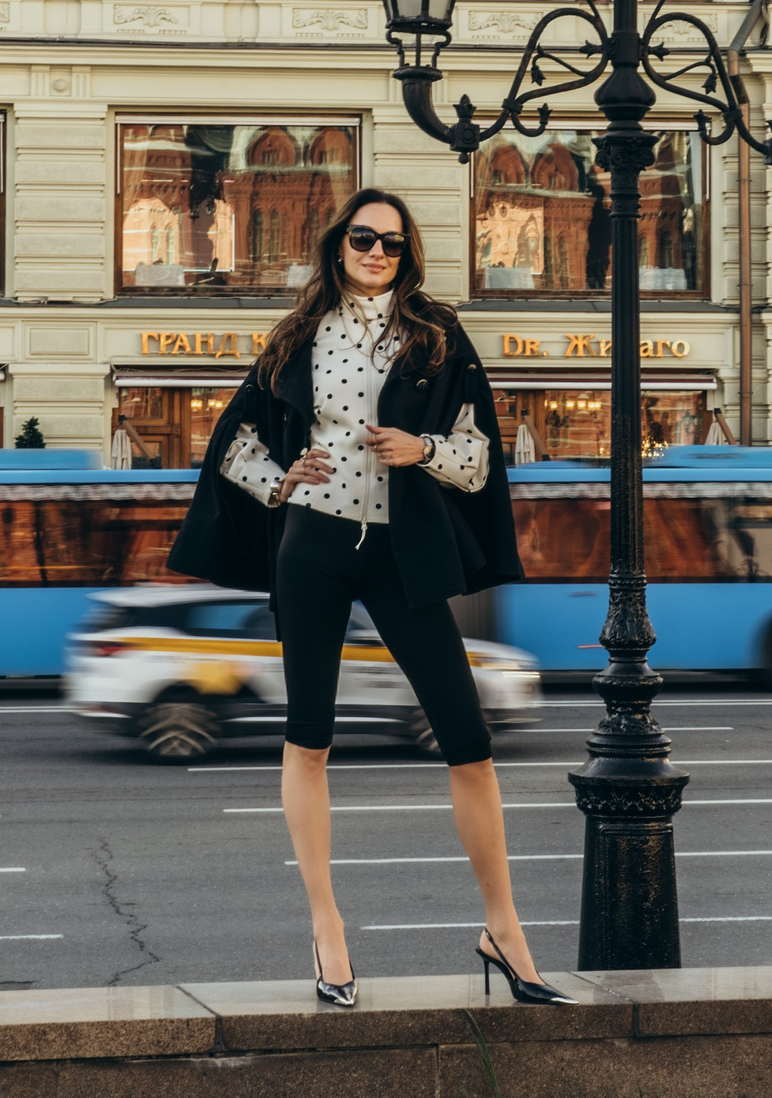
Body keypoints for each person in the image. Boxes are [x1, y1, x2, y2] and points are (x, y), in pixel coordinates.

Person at [171, 189, 562, 1008]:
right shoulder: (295, 337)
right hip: (311, 547)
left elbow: (479, 458)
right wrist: (281, 481)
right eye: (363, 237)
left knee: (469, 740)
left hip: (401, 551)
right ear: (338, 245)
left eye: (391, 240)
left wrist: (421, 447)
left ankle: (504, 927)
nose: (377, 251)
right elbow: (230, 446)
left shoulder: (438, 336)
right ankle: (327, 928)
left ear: (407, 250)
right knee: (308, 739)